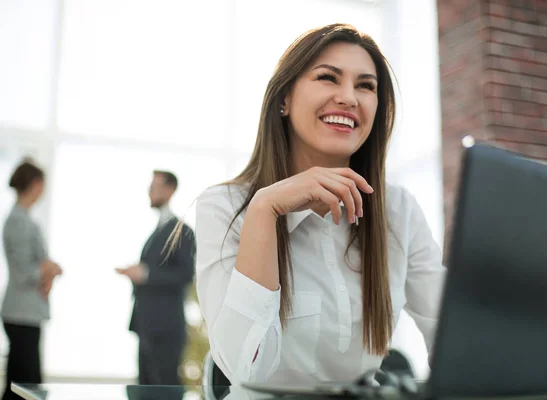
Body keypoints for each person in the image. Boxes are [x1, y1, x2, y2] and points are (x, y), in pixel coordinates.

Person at [193, 23, 447, 385]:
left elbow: (454, 337)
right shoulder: (225, 206)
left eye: (366, 85)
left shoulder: (398, 210)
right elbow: (242, 367)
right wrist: (265, 210)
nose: (349, 97)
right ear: (284, 99)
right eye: (328, 78)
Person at [116, 170, 195, 385]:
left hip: (166, 328)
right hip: (147, 325)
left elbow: (186, 274)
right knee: (145, 387)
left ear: (169, 190)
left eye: (154, 187)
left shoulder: (181, 231)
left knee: (163, 388)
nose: (149, 192)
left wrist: (147, 274)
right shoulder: (157, 231)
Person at [2, 160, 62, 400]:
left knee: (21, 383)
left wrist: (49, 268)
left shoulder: (24, 218)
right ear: (36, 184)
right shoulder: (18, 220)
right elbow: (23, 273)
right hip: (21, 315)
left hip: (25, 313)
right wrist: (48, 269)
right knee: (25, 387)